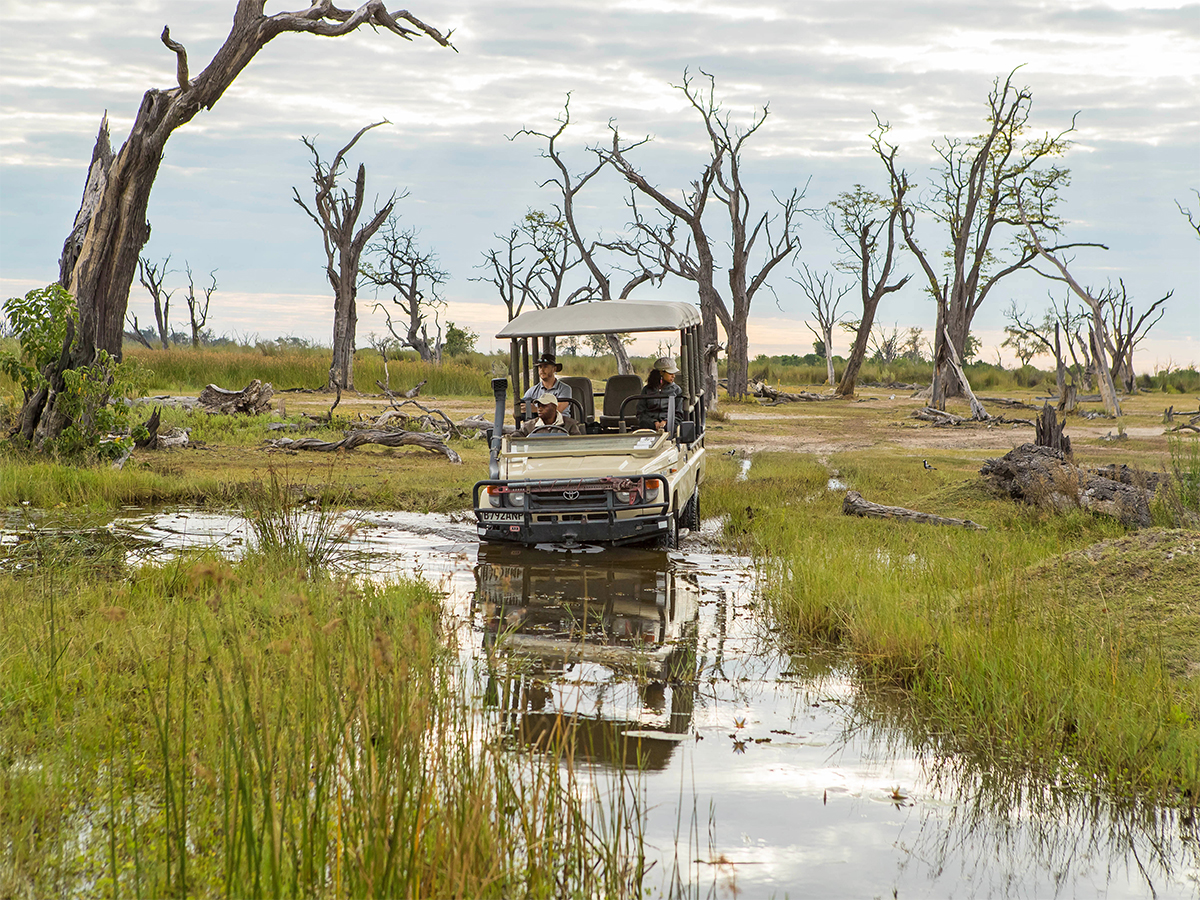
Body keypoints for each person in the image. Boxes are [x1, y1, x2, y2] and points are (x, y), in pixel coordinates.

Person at [636, 356, 683, 431]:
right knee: (644, 423)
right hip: (649, 424)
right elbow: (641, 412)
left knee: (671, 426)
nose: (673, 376)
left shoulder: (676, 390)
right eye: (670, 373)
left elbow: (679, 413)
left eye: (673, 373)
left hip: (669, 423)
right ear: (661, 373)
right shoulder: (647, 390)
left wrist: (666, 421)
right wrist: (654, 422)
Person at [518, 392, 583, 436]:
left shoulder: (570, 425)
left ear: (554, 407)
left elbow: (577, 444)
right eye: (539, 405)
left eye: (544, 405)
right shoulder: (529, 426)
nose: (539, 408)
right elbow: (515, 437)